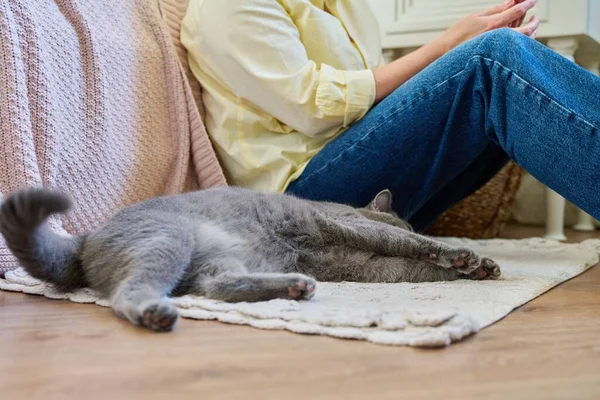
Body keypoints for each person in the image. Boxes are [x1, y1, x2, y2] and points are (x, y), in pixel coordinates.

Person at [181, 0, 600, 232]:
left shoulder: (347, 7)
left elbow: (372, 108)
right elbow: (311, 109)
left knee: (497, 66)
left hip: (350, 172)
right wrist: (449, 45)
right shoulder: (227, 5)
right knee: (494, 60)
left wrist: (462, 52)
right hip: (295, 198)